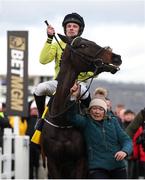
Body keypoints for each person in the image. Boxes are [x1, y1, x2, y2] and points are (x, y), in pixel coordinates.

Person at [33, 12, 93, 122]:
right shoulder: (57, 44)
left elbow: (92, 71)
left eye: (74, 26)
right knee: (40, 88)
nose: (71, 28)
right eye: (68, 26)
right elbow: (43, 60)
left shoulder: (85, 46)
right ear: (65, 29)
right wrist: (50, 38)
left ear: (79, 29)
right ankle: (40, 117)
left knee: (85, 93)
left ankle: (92, 120)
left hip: (77, 84)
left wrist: (80, 77)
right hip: (58, 83)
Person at [67, 87, 132, 179]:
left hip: (118, 166)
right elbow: (71, 117)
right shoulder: (86, 122)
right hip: (97, 168)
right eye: (94, 108)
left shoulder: (113, 121)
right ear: (89, 110)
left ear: (105, 112)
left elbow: (127, 140)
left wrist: (124, 151)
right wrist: (73, 97)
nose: (97, 112)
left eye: (100, 109)